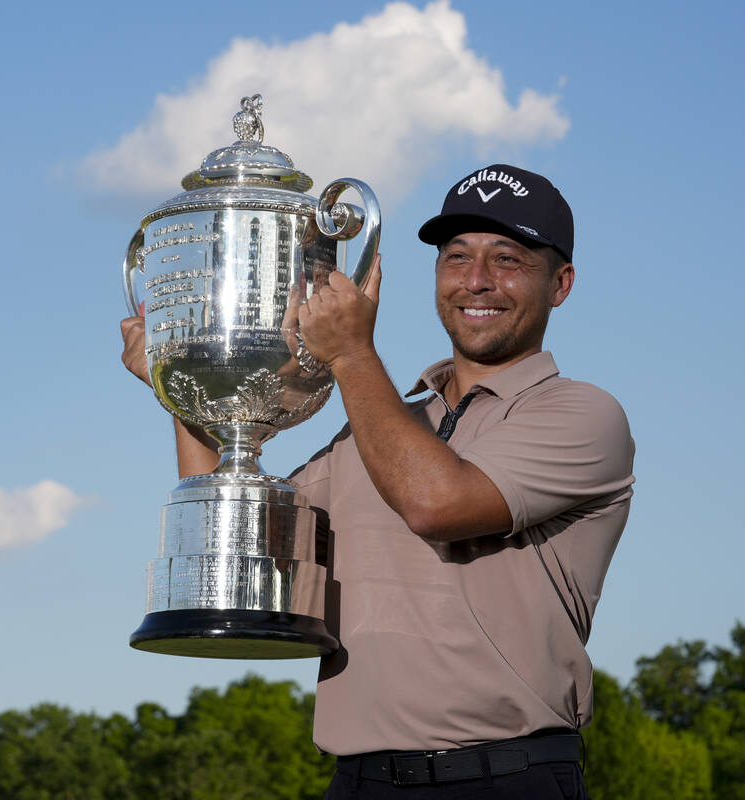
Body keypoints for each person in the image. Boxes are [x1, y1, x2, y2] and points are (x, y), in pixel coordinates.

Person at [121, 163, 634, 799]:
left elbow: (435, 502)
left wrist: (351, 353)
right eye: (456, 257)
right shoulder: (383, 424)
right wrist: (191, 389)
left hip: (506, 777)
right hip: (359, 782)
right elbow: (242, 543)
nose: (476, 281)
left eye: (508, 259)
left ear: (560, 284)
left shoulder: (582, 415)